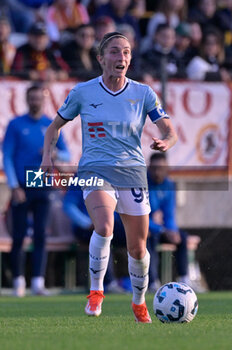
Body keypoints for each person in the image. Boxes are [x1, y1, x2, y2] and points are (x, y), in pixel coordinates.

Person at [41, 31, 177, 323]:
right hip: (94, 169)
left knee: (137, 248)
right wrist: (46, 159)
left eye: (126, 52)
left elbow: (170, 130)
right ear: (101, 58)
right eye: (115, 52)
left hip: (132, 172)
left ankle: (139, 302)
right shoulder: (83, 92)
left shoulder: (143, 93)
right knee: (103, 227)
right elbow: (53, 128)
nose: (122, 57)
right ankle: (95, 291)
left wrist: (166, 141)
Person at [3, 84, 70, 297]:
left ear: (45, 100)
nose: (35, 102)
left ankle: (38, 282)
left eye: (38, 98)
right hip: (23, 185)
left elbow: (67, 154)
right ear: (26, 99)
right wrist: (13, 186)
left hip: (43, 184)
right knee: (19, 235)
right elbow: (7, 157)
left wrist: (54, 154)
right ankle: (18, 282)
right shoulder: (16, 125)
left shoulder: (50, 125)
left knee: (41, 233)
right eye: (31, 98)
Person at [147, 152, 189, 292]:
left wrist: (172, 230)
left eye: (161, 168)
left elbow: (169, 213)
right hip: (146, 228)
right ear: (148, 168)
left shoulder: (169, 185)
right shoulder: (142, 183)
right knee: (149, 238)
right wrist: (162, 230)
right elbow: (141, 216)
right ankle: (153, 282)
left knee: (182, 238)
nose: (157, 172)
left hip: (159, 227)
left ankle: (184, 279)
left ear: (167, 169)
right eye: (154, 168)